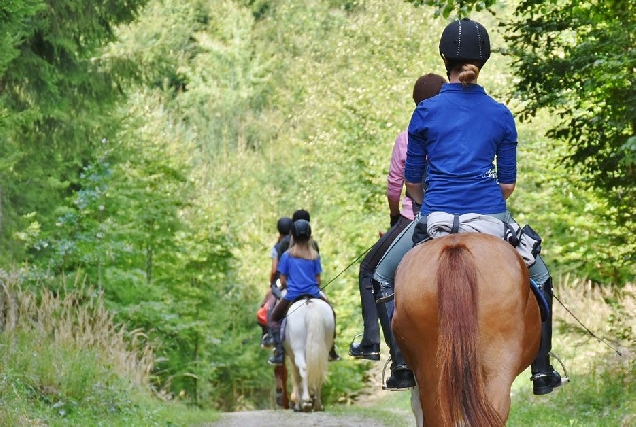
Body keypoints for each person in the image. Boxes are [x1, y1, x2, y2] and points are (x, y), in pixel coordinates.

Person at [373, 18, 567, 395]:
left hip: (436, 216)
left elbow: (412, 182)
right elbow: (507, 185)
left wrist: (425, 202)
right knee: (541, 278)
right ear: (484, 60)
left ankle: (400, 365)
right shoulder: (500, 114)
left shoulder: (425, 112)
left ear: (445, 58)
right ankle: (542, 369)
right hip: (491, 217)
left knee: (382, 276)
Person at [349, 73, 446, 369]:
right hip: (465, 213)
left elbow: (395, 185)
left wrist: (395, 216)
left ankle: (382, 348)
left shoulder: (407, 137)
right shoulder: (456, 134)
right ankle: (540, 362)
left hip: (417, 217)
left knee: (370, 270)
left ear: (416, 103)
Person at [267, 219, 339, 365]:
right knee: (332, 313)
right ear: (309, 236)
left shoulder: (287, 255)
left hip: (292, 294)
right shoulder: (314, 255)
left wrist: (292, 285)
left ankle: (279, 352)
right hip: (314, 293)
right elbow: (318, 280)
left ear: (292, 236)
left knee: (274, 319)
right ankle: (331, 348)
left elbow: (282, 279)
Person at [259, 216, 294, 348]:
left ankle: (269, 335)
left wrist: (272, 285)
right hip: (301, 280)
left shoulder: (278, 246)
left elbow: (274, 270)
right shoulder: (298, 243)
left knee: (267, 306)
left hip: (282, 280)